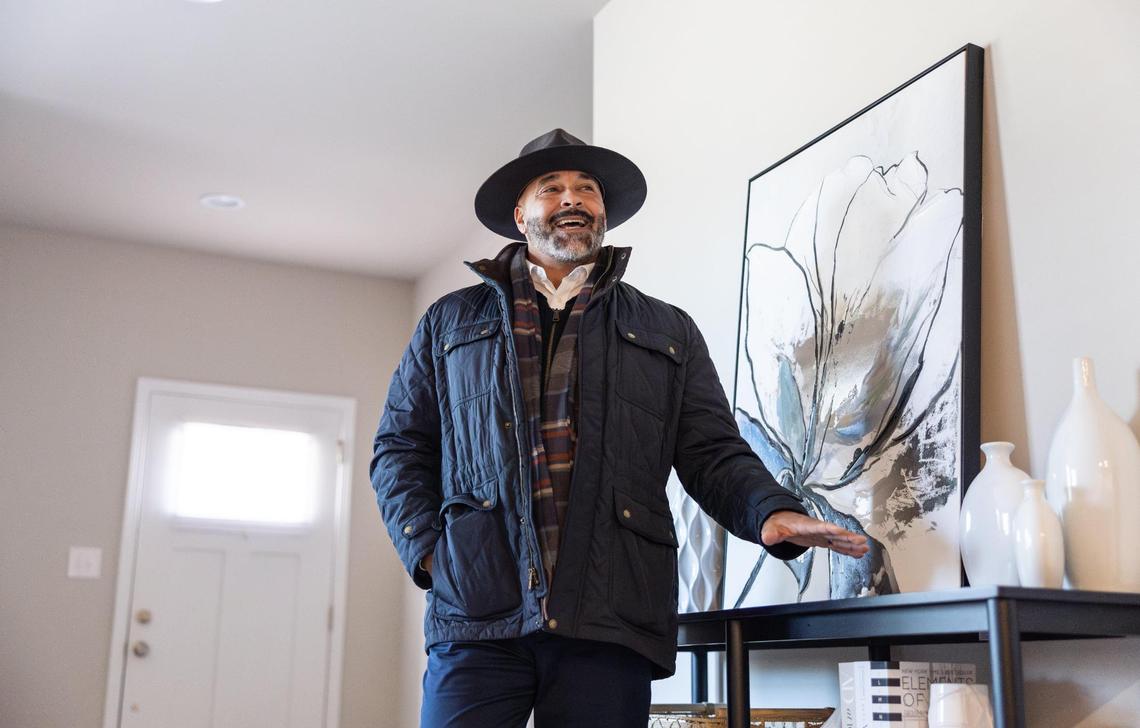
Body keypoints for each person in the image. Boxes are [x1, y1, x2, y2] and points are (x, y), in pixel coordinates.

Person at [370, 128, 869, 728]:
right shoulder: (447, 323)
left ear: (603, 211)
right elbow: (399, 447)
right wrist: (431, 553)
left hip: (610, 613)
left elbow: (711, 449)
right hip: (476, 612)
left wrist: (769, 512)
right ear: (520, 212)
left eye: (586, 189)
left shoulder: (667, 330)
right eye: (551, 188)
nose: (572, 199)